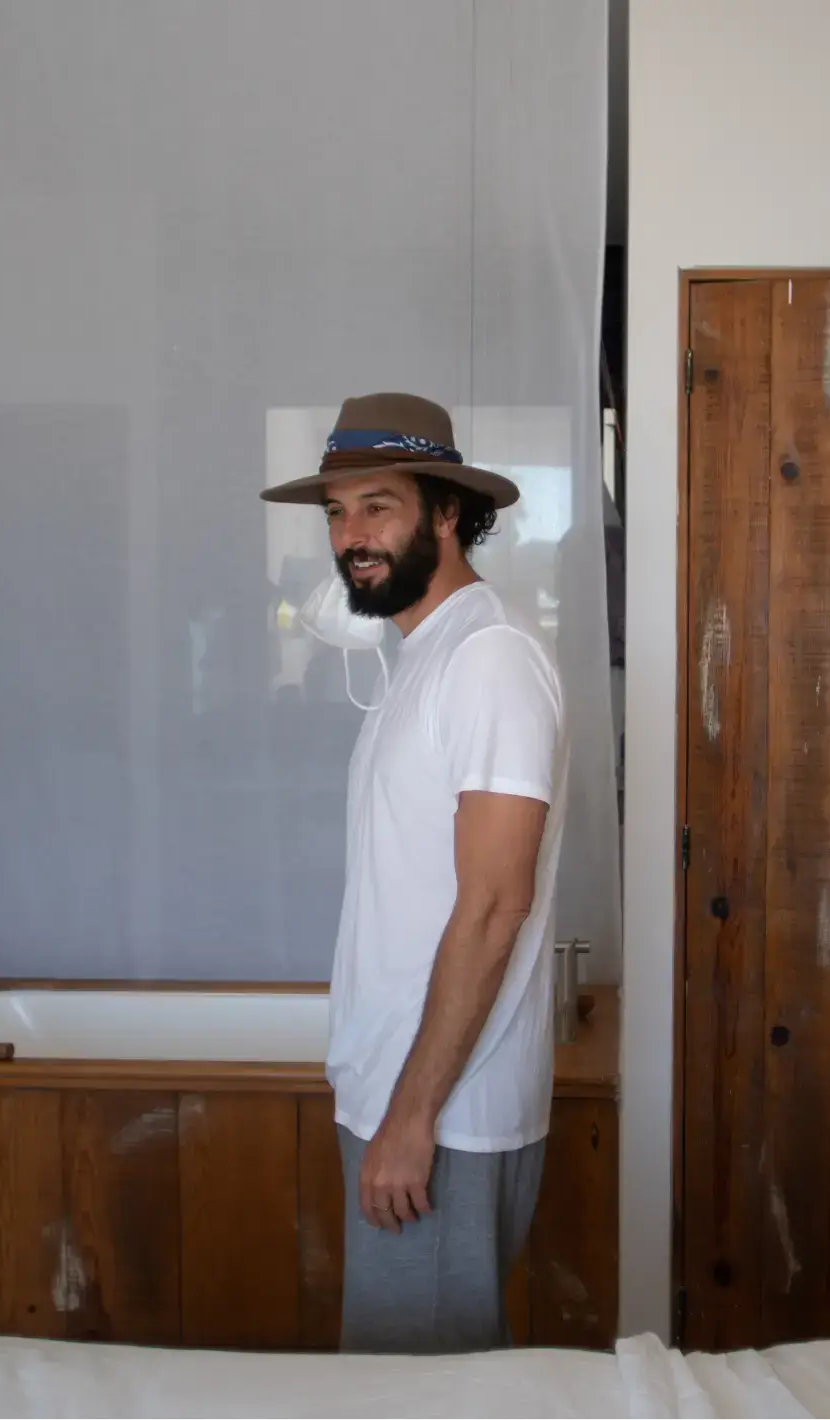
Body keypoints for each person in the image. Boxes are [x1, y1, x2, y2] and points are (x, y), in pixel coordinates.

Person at [261, 393, 568, 1355]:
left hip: (442, 1121)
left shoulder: (489, 661)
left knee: (415, 1397)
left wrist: (410, 1118)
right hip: (408, 1104)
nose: (351, 535)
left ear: (446, 512)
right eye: (336, 513)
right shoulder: (429, 658)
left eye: (378, 506)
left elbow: (494, 906)